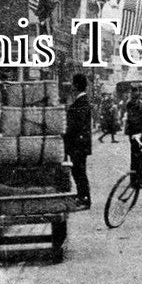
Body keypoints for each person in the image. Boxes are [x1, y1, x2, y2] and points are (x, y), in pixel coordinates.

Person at [65, 74, 93, 208]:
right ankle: (81, 195)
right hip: (79, 144)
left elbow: (77, 124)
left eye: (72, 84)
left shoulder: (81, 102)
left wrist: (66, 132)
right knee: (77, 171)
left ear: (76, 86)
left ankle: (85, 199)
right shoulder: (80, 101)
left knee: (79, 172)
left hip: (79, 144)